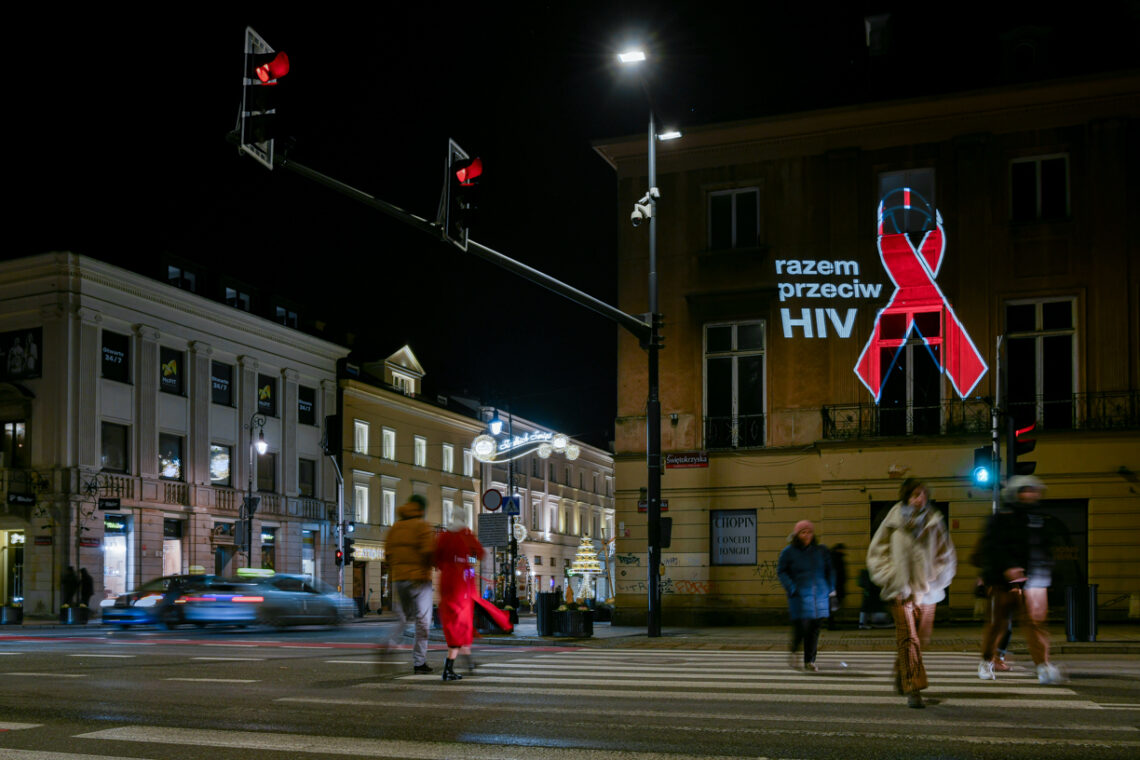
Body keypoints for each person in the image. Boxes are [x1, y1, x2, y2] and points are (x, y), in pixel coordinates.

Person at [866, 478, 957, 708]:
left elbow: (946, 555)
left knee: (921, 639)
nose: (921, 498)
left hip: (928, 591)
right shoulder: (893, 521)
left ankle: (902, 673)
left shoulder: (934, 521)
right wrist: (893, 576)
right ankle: (914, 688)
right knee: (909, 639)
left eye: (924, 494)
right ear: (906, 496)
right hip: (902, 590)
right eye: (916, 494)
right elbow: (876, 554)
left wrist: (935, 577)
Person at [975, 474, 1063, 684]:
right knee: (998, 624)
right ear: (1015, 493)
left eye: (1033, 490)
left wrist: (1047, 572)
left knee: (1036, 625)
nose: (1030, 495)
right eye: (1025, 490)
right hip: (1002, 582)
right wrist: (1008, 567)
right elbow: (992, 547)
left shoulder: (1040, 519)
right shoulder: (1001, 519)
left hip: (1034, 580)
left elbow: (1045, 549)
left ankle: (1043, 666)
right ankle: (987, 660)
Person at [382, 494, 436, 674]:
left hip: (399, 579)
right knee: (423, 621)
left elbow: (387, 554)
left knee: (403, 618)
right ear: (421, 509)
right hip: (419, 580)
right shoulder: (422, 525)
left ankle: (390, 643)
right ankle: (419, 662)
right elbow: (428, 552)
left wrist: (396, 571)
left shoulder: (395, 528)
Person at [434, 506, 485, 682]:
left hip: (446, 581)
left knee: (453, 622)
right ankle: (449, 668)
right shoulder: (465, 534)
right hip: (461, 583)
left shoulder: (444, 535)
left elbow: (436, 557)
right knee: (462, 624)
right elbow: (480, 553)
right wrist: (468, 557)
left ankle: (467, 662)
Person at [777, 519, 834, 672]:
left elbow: (830, 570)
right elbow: (781, 571)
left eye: (809, 532)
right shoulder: (788, 552)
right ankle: (795, 649)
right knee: (801, 628)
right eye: (803, 532)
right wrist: (792, 588)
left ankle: (809, 661)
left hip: (820, 597)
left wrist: (831, 589)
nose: (807, 535)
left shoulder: (821, 550)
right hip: (800, 598)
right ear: (797, 534)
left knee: (814, 631)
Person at [828, 543, 848, 630]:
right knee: (833, 606)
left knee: (834, 606)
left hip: (836, 586)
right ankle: (831, 624)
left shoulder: (835, 557)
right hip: (835, 587)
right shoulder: (835, 558)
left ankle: (832, 623)